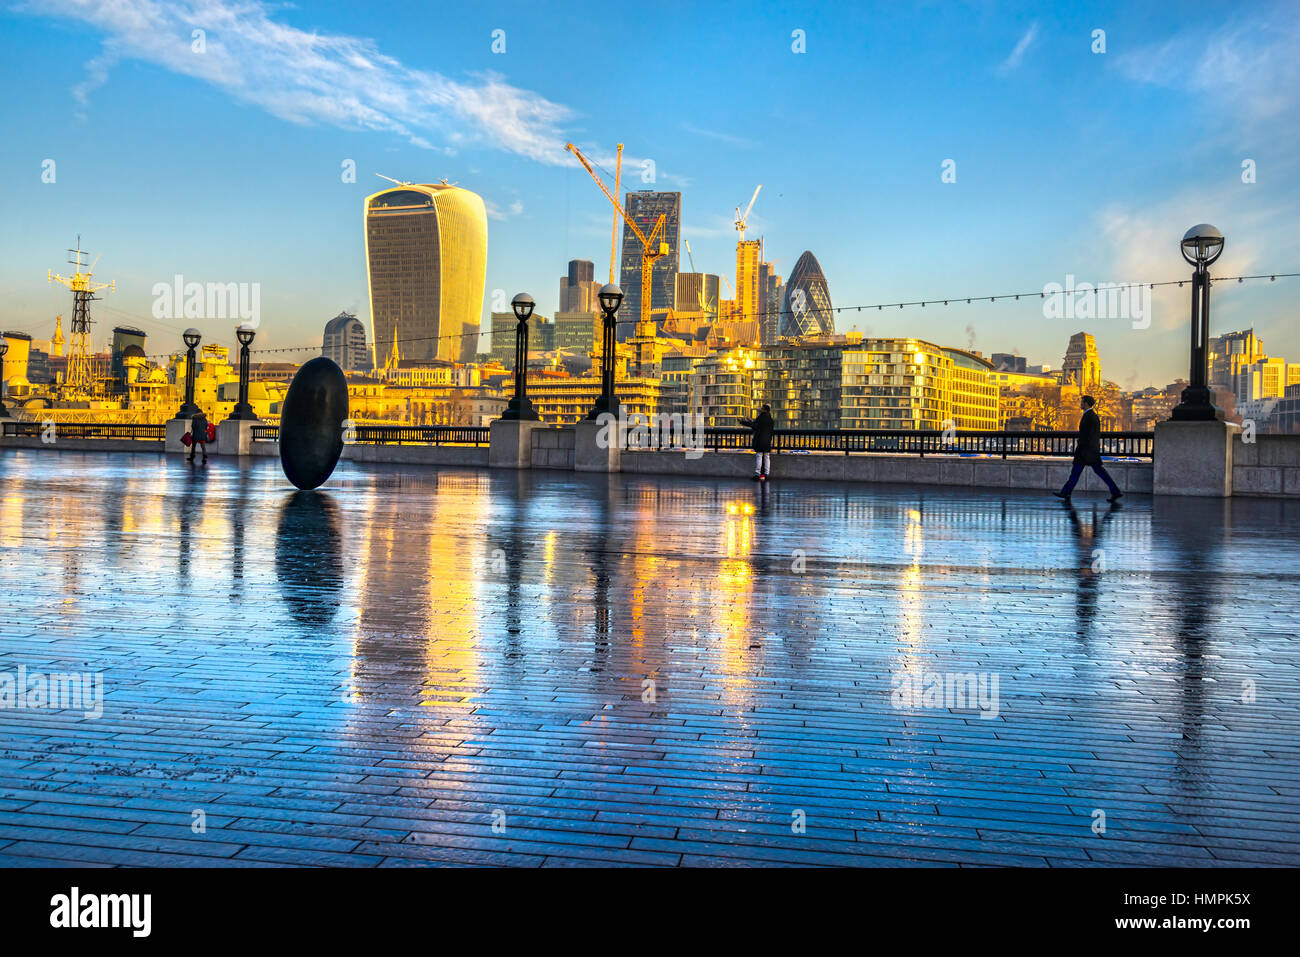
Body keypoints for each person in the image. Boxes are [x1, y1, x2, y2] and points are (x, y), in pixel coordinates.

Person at [1054, 395, 1121, 502]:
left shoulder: (1089, 416)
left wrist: (1081, 446)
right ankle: (1115, 491)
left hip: (1085, 451)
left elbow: (1087, 435)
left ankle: (1066, 492)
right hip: (1091, 451)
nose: (1080, 404)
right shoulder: (1092, 416)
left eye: (1081, 402)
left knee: (1076, 473)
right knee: (1099, 472)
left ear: (1085, 403)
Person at [738, 404, 775, 481]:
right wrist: (750, 420)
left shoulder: (761, 418)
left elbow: (754, 426)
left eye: (761, 408)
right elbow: (757, 424)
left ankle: (757, 474)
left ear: (764, 410)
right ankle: (766, 474)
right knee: (767, 456)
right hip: (767, 440)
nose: (760, 409)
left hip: (760, 440)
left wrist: (742, 422)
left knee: (759, 456)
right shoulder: (770, 419)